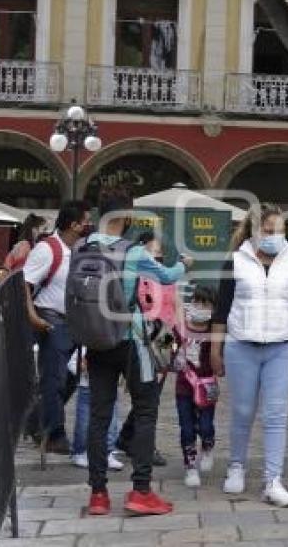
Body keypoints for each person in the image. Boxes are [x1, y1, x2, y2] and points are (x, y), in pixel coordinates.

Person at [84, 188, 192, 517]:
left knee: (99, 417)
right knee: (146, 410)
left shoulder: (83, 247)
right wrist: (184, 265)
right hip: (131, 340)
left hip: (96, 340)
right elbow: (166, 275)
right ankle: (141, 490)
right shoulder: (134, 252)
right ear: (127, 216)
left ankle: (98, 494)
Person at [211, 203, 288, 508]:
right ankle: (236, 466)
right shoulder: (236, 262)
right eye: (268, 231)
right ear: (254, 232)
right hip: (241, 346)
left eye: (280, 231)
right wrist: (215, 349)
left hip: (281, 347)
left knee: (276, 414)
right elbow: (222, 308)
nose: (275, 236)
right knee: (243, 411)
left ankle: (273, 480)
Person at [22, 201, 92, 454]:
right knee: (54, 379)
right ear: (73, 225)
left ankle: (36, 421)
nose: (89, 225)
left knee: (71, 377)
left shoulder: (78, 249)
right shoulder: (47, 248)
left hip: (73, 322)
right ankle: (54, 434)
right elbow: (25, 283)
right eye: (86, 220)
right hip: (51, 320)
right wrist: (32, 316)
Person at [114, 230, 171, 468]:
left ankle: (127, 436)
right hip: (142, 338)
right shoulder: (134, 274)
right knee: (148, 396)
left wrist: (175, 341)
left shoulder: (163, 276)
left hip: (164, 337)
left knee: (152, 393)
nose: (156, 258)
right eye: (152, 252)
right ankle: (143, 444)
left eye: (159, 254)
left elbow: (173, 305)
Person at [176, 285, 218, 488]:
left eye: (205, 304)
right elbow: (168, 344)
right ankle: (190, 466)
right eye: (196, 302)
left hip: (207, 385)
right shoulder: (181, 326)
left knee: (206, 425)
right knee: (186, 427)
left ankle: (208, 445)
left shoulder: (214, 331)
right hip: (184, 386)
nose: (200, 307)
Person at [69, 347, 124, 471]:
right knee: (83, 423)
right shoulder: (84, 347)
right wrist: (81, 367)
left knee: (111, 422)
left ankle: (108, 452)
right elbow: (72, 364)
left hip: (109, 388)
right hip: (86, 388)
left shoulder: (114, 346)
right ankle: (80, 451)